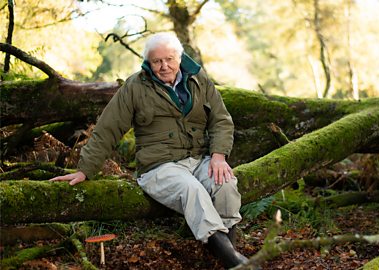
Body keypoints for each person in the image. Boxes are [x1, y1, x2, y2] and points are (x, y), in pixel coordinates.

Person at [50, 32, 248, 268]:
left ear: (180, 57)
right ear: (148, 63)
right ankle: (234, 262)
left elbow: (221, 120)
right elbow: (108, 128)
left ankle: (224, 254)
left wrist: (218, 156)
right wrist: (85, 170)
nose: (164, 66)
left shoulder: (199, 79)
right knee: (192, 191)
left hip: (198, 159)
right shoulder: (135, 86)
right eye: (157, 61)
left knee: (224, 184)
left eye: (170, 59)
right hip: (159, 167)